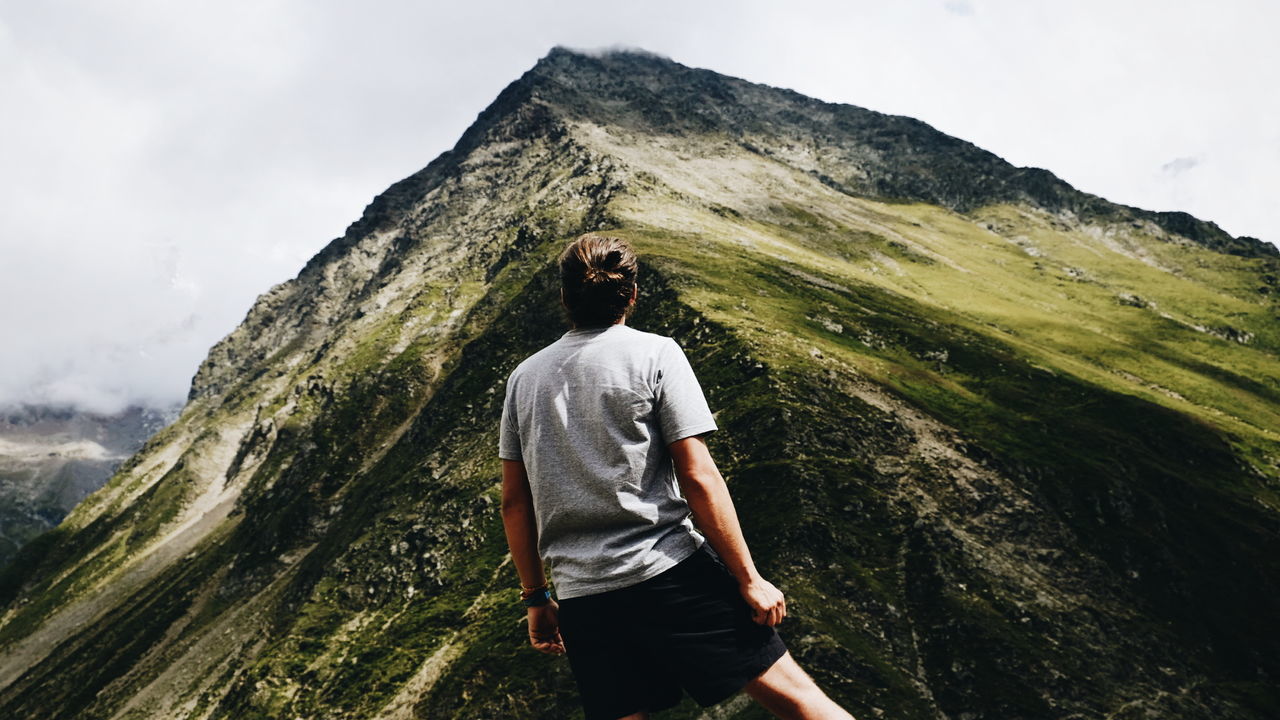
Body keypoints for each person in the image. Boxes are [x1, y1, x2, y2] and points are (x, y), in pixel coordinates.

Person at [499, 232, 856, 720]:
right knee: (800, 701)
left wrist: (537, 597)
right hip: (671, 574)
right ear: (632, 294)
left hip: (585, 599)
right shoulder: (655, 354)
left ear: (564, 296)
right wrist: (748, 578)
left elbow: (515, 503)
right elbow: (698, 475)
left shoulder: (524, 379)